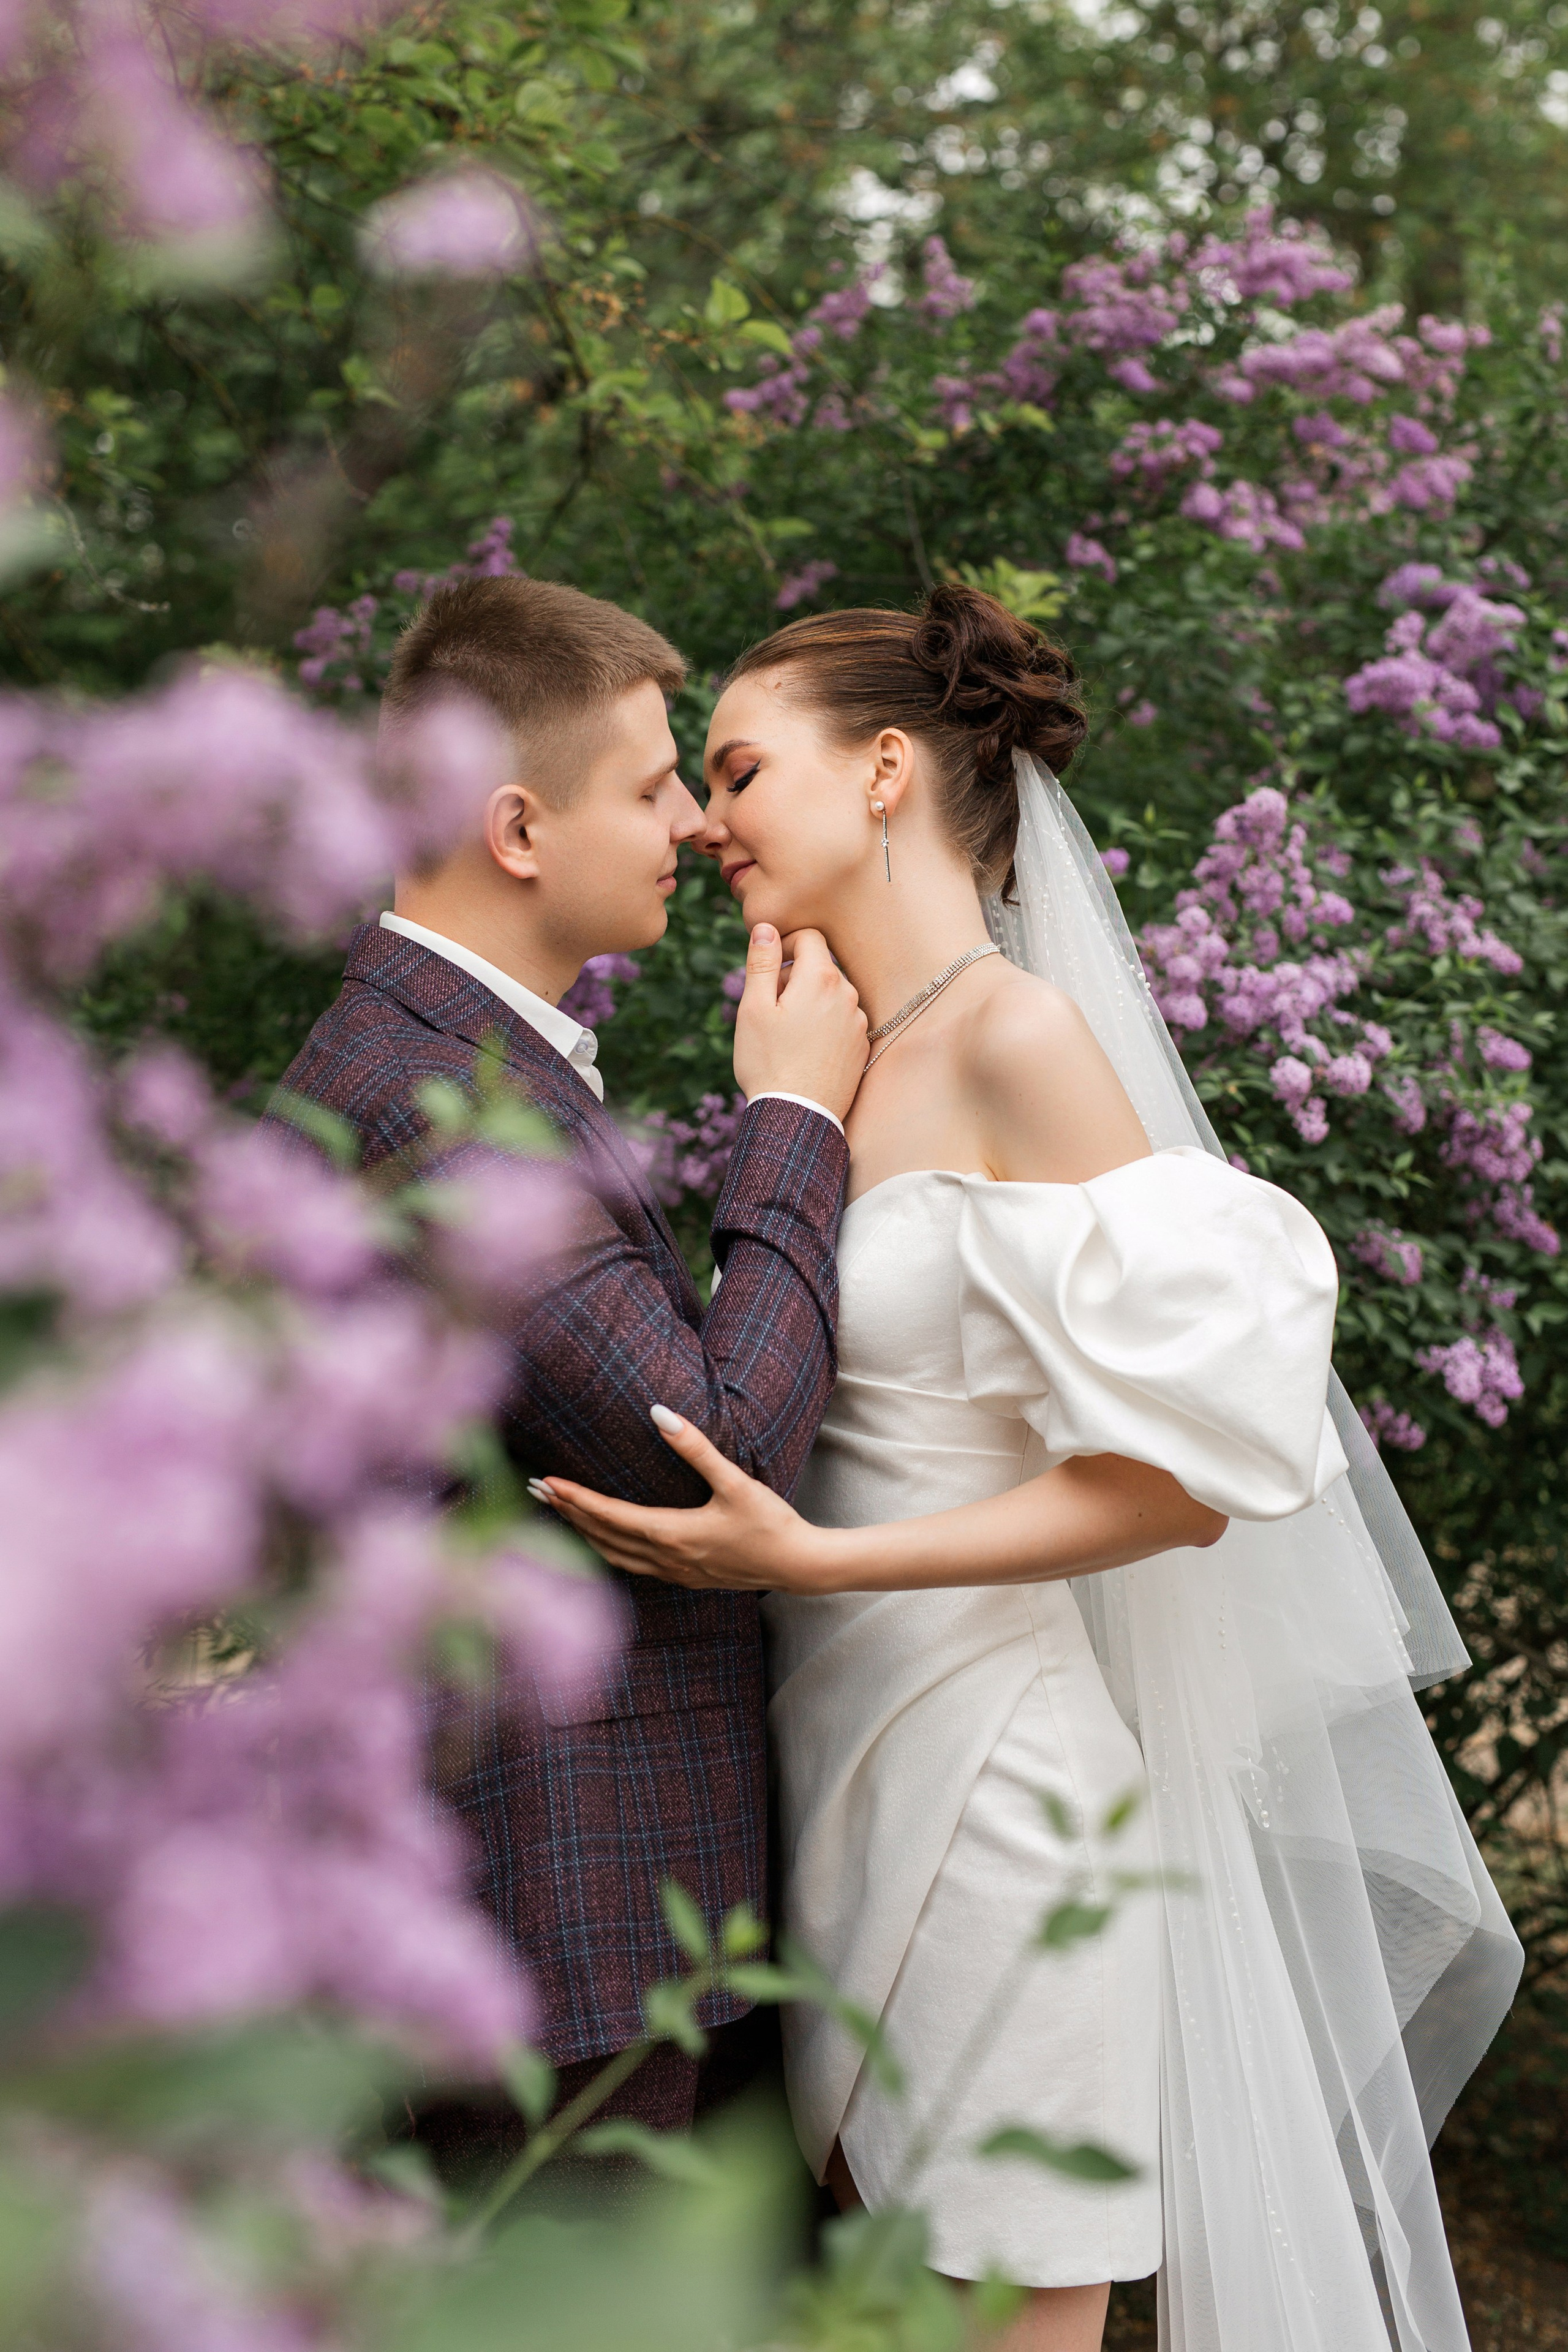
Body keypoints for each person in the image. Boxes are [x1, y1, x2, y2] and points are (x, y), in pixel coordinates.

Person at [534, 586, 1524, 2351]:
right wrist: (787, 1100)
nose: (705, 818)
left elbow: (1181, 1485)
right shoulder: (832, 1061)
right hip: (833, 1777)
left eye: (742, 769)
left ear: (890, 770)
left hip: (1000, 1799)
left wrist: (811, 1567)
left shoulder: (1018, 1041)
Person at [265, 574, 869, 2158]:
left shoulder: (445, 1055)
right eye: (652, 783)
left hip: (582, 1928)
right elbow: (712, 1438)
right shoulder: (432, 1096)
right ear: (519, 829)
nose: (688, 823)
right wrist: (794, 1121)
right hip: (554, 1935)